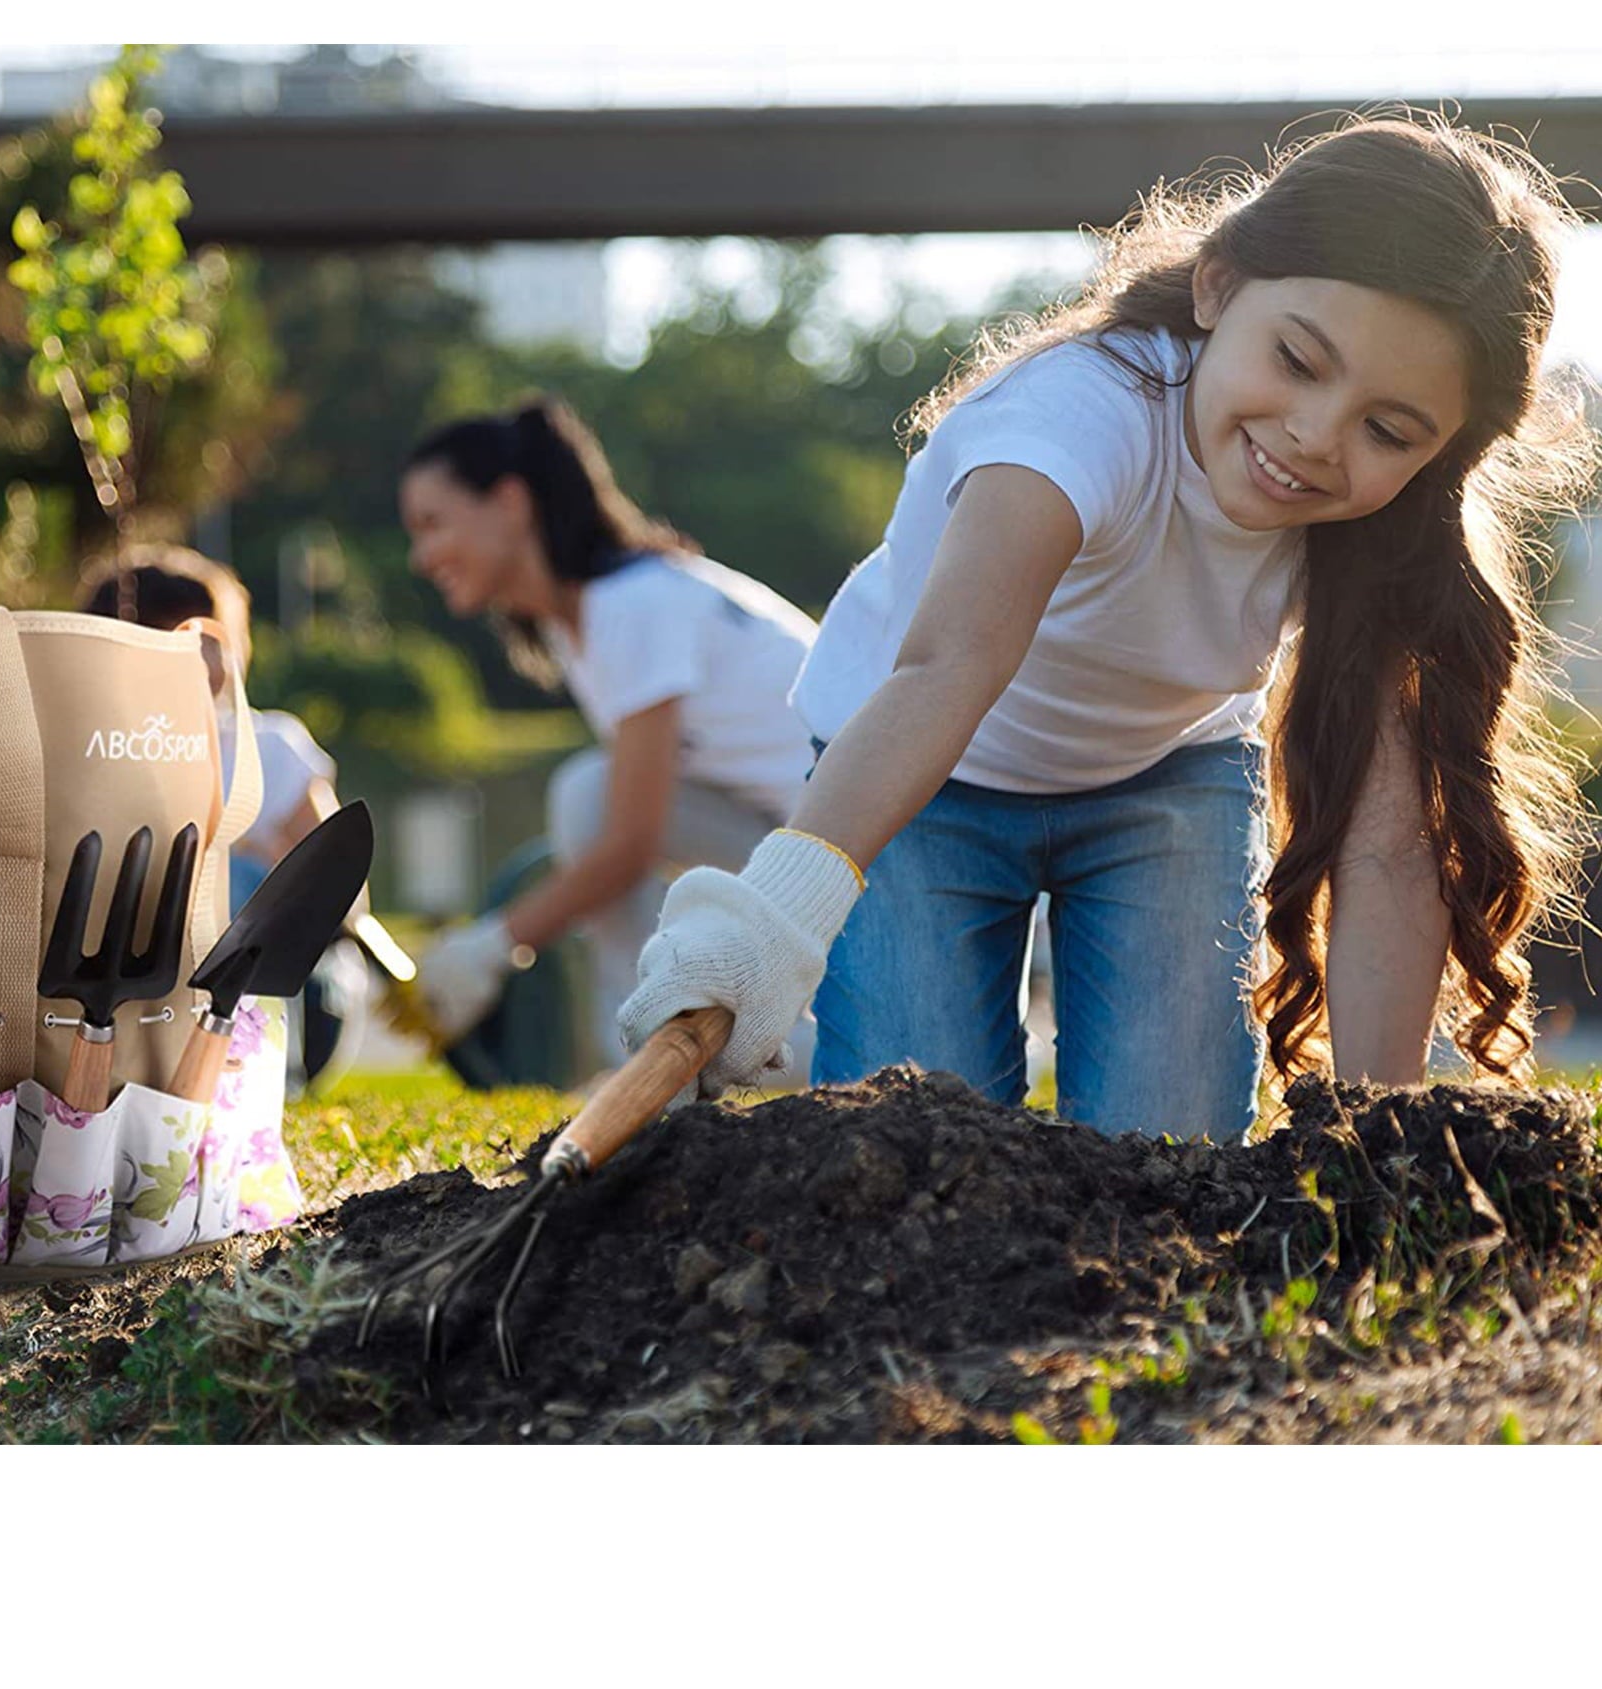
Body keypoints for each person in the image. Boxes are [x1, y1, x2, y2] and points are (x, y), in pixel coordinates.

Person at [618, 116, 1598, 1140]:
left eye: (1386, 429)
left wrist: (1376, 1132)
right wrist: (767, 924)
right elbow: (946, 669)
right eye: (1298, 361)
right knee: (915, 1135)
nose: (1315, 437)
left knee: (1167, 1156)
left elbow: (1388, 842)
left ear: (1441, 449)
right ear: (1217, 287)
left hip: (1161, 782)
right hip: (924, 777)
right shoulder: (1068, 425)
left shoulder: (1388, 529)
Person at [401, 395, 821, 1077]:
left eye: (432, 523)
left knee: (588, 797)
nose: (422, 556)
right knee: (589, 792)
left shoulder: (630, 604)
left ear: (510, 502)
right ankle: (664, 1042)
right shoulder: (590, 621)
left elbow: (628, 844)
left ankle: (663, 1049)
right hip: (809, 849)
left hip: (868, 862)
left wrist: (490, 946)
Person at [75, 543, 371, 1082]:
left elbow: (340, 893)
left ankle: (251, 1062)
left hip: (280, 983)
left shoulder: (270, 746)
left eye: (215, 640)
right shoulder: (95, 749)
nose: (207, 659)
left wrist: (241, 847)